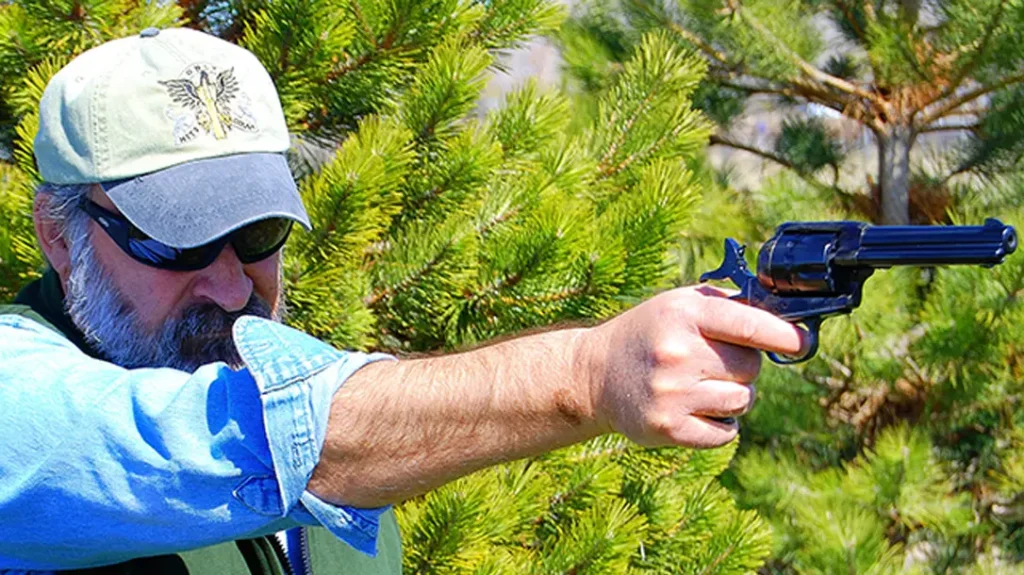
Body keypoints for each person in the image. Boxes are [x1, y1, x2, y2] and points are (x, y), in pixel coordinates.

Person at [0, 27, 807, 574]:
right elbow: (264, 438)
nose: (231, 284)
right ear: (61, 236)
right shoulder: (16, 399)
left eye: (257, 232)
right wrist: (587, 375)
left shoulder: (337, 410)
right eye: (174, 240)